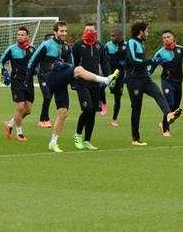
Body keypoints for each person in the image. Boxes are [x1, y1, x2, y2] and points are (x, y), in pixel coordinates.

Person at [27, 20, 119, 153]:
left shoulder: (66, 47)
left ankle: (53, 142)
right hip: (50, 79)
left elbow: (69, 64)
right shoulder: (46, 44)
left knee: (63, 112)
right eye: (61, 31)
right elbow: (32, 62)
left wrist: (65, 68)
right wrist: (29, 79)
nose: (64, 33)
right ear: (55, 32)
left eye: (65, 31)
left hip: (61, 81)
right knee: (79, 69)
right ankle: (105, 79)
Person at [124, 21, 181, 146]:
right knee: (136, 108)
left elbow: (142, 61)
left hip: (144, 78)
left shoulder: (141, 43)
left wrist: (152, 62)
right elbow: (134, 61)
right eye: (146, 30)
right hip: (134, 80)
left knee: (158, 94)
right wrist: (152, 60)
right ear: (141, 32)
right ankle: (135, 139)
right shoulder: (132, 42)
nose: (147, 33)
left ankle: (169, 114)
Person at [71, 21, 112, 150]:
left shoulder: (100, 45)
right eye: (87, 30)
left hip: (95, 84)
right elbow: (73, 64)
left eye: (91, 30)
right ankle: (77, 134)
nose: (89, 32)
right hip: (81, 83)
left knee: (93, 112)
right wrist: (73, 82)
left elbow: (104, 63)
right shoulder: (77, 45)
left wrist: (109, 77)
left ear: (95, 32)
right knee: (87, 109)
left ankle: (87, 140)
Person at [150, 30, 183, 136]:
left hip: (178, 82)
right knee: (169, 105)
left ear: (173, 37)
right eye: (164, 37)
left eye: (168, 36)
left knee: (175, 108)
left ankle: (163, 123)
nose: (166, 39)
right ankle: (166, 129)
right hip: (167, 81)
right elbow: (150, 67)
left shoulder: (181, 49)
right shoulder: (160, 52)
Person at [0, 26, 35, 142]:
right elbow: (1, 62)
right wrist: (4, 73)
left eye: (22, 35)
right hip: (16, 81)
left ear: (27, 36)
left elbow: (38, 61)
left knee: (28, 110)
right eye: (18, 35)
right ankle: (19, 133)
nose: (20, 37)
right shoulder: (12, 49)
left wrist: (38, 69)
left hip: (29, 82)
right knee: (20, 107)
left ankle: (10, 123)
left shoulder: (33, 49)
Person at [104, 29, 128, 127]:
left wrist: (124, 63)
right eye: (112, 36)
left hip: (120, 75)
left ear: (120, 36)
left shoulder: (125, 45)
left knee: (117, 98)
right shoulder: (107, 45)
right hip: (109, 73)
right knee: (99, 88)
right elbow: (104, 59)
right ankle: (102, 102)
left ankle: (114, 119)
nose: (113, 38)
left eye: (115, 36)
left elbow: (128, 59)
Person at [36, 32, 55, 128]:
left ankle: (43, 119)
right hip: (43, 76)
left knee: (48, 98)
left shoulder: (55, 49)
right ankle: (44, 119)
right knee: (47, 97)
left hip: (51, 76)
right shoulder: (42, 49)